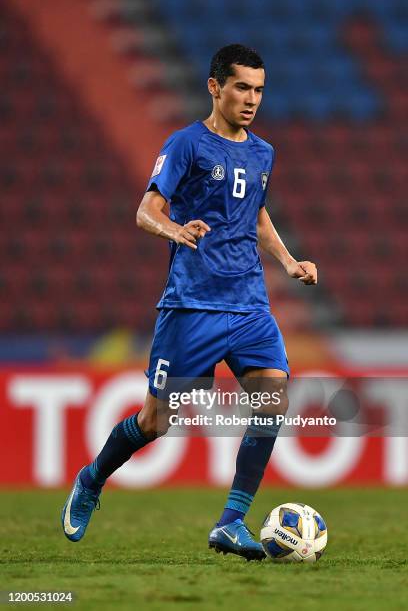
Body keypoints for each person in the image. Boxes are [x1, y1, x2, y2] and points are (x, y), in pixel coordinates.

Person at [61, 44, 317, 560]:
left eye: (259, 90)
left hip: (249, 304)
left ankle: (230, 522)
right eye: (241, 87)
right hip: (192, 306)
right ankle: (91, 479)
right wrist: (174, 229)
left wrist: (288, 262)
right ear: (214, 87)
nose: (251, 99)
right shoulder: (186, 145)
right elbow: (145, 209)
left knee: (273, 401)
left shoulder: (263, 152)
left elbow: (256, 215)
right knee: (155, 421)